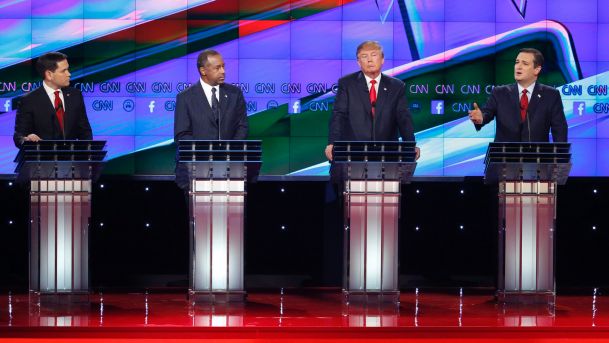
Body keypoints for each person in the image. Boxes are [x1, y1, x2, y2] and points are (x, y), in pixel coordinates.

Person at [325, 40, 419, 162]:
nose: (370, 60)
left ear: (382, 59)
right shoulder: (347, 84)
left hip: (387, 154)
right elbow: (338, 115)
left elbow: (403, 119)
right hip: (353, 154)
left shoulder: (396, 86)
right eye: (364, 56)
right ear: (359, 62)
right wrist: (332, 143)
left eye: (374, 55)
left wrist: (410, 145)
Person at [174, 49, 249, 189]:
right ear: (203, 71)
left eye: (223, 66)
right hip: (195, 171)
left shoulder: (234, 94)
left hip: (230, 170)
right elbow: (182, 135)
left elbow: (242, 127)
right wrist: (208, 154)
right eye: (217, 68)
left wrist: (228, 153)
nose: (223, 71)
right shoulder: (185, 98)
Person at [468, 48, 568, 142]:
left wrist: (560, 159)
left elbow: (560, 130)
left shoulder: (551, 95)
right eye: (517, 62)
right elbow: (487, 113)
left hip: (536, 158)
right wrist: (480, 118)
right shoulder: (500, 93)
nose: (518, 67)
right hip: (504, 158)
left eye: (525, 63)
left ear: (536, 70)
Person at [13, 52, 92, 147]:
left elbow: (85, 132)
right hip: (42, 159)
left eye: (68, 69)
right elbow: (19, 136)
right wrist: (27, 140)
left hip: (71, 159)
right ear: (49, 75)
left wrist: (87, 156)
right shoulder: (29, 100)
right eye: (64, 71)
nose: (69, 74)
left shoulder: (75, 95)